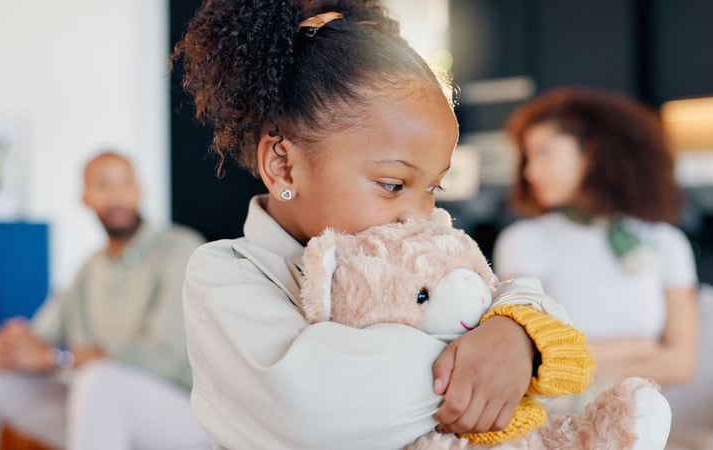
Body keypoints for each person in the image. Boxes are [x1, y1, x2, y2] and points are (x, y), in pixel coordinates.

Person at [172, 3, 671, 449]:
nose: (420, 213)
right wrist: (492, 363)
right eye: (392, 184)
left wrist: (516, 333)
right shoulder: (225, 275)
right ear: (283, 166)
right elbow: (316, 409)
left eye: (434, 187)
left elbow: (536, 311)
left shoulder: (425, 246)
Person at [492, 88, 713, 447]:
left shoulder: (665, 243)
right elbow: (525, 353)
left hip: (643, 420)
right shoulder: (524, 240)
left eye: (544, 152)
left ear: (595, 153)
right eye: (526, 156)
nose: (530, 170)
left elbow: (681, 362)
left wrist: (575, 355)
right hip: (558, 423)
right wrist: (640, 348)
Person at [0, 152, 212, 450]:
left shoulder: (180, 249)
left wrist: (58, 356)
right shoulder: (88, 270)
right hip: (98, 412)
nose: (116, 195)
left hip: (181, 413)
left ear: (139, 191)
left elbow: (164, 355)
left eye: (125, 183)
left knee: (98, 381)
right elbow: (40, 339)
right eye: (103, 185)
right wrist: (11, 348)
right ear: (86, 197)